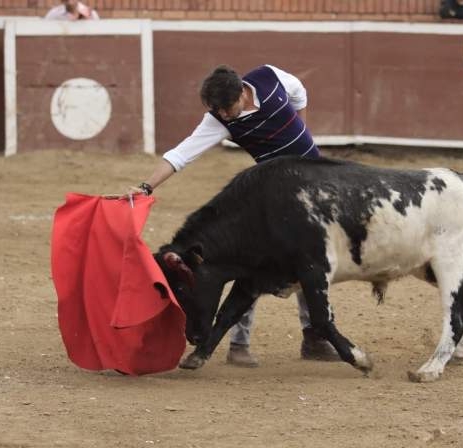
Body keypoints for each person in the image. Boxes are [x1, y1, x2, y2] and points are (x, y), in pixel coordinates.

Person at [133, 64, 340, 367]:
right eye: (219, 111)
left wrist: (303, 129)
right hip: (274, 197)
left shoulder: (270, 77)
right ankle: (239, 344)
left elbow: (299, 91)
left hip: (316, 189)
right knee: (251, 263)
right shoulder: (218, 119)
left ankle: (315, 338)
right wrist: (145, 186)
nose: (225, 116)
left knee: (310, 261)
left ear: (243, 92)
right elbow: (182, 153)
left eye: (228, 109)